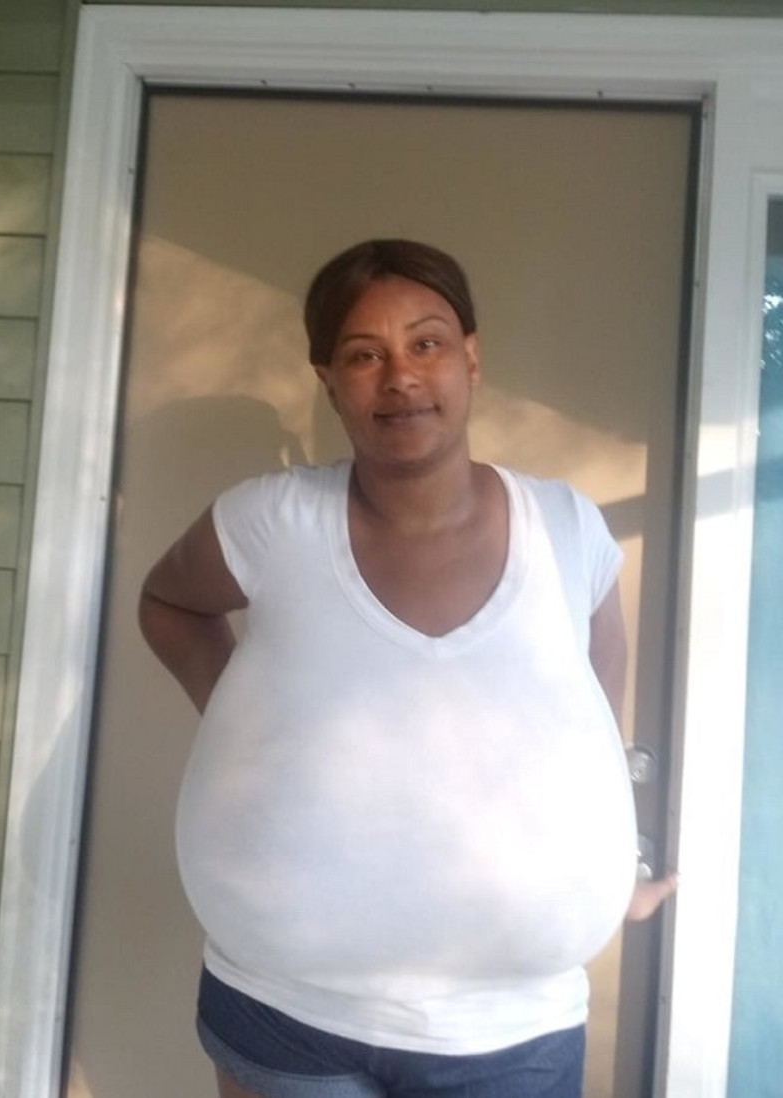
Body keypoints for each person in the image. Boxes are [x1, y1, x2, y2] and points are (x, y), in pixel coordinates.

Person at [139, 239, 678, 1098]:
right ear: (329, 381)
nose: (400, 377)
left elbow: (591, 717)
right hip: (283, 1013)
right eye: (364, 355)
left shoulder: (567, 527)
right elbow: (168, 602)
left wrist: (607, 864)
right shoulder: (270, 522)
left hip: (513, 1031)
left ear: (471, 357)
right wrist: (246, 731)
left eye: (427, 343)